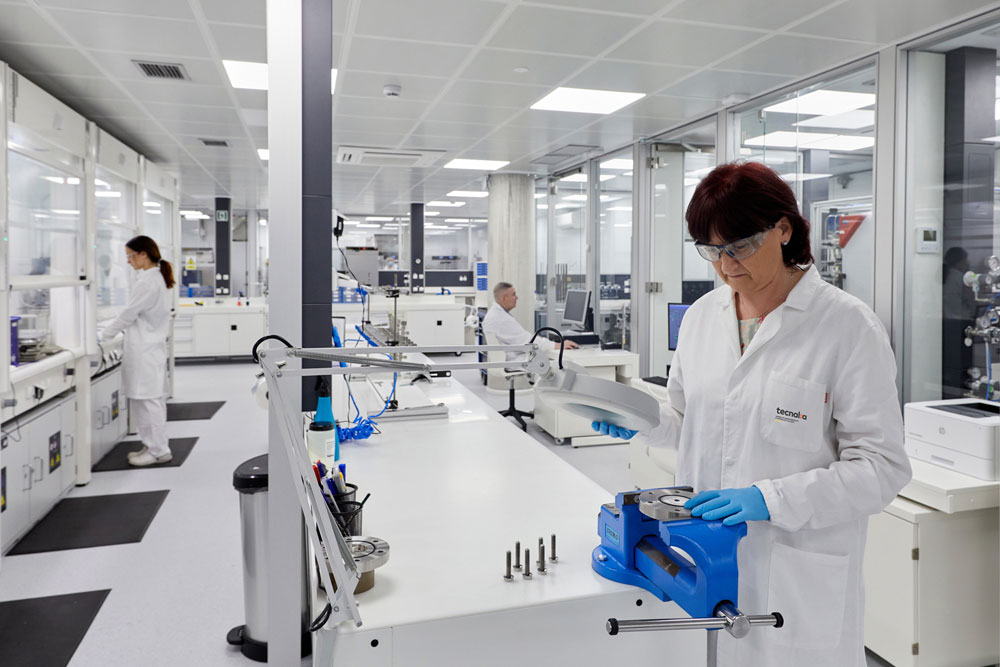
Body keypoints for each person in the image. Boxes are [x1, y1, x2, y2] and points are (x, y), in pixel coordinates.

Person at [594, 162, 910, 667]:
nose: (725, 265)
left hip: (794, 574)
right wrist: (645, 423)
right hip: (700, 557)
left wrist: (769, 499)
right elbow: (691, 421)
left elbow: (882, 468)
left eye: (738, 246)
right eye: (710, 250)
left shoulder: (847, 327)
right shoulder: (702, 318)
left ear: (783, 229)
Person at [101, 236, 174, 467]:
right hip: (150, 348)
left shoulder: (148, 281)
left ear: (144, 254)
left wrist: (105, 335)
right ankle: (152, 445)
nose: (129, 261)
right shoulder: (154, 278)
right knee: (149, 402)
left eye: (131, 256)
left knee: (148, 402)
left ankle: (158, 450)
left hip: (145, 350)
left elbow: (129, 313)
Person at [481, 282, 577, 361]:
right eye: (513, 295)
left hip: (511, 358)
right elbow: (528, 342)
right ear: (504, 298)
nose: (517, 297)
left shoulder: (496, 314)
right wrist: (558, 345)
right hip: (517, 361)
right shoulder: (501, 318)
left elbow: (523, 338)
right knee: (560, 365)